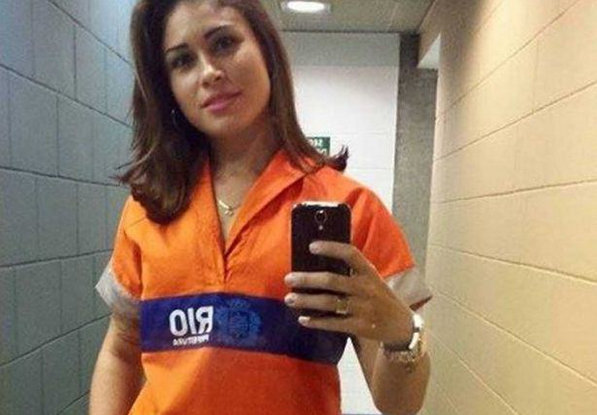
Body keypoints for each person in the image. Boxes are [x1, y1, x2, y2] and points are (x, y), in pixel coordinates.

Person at [89, 1, 433, 414]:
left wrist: (401, 333)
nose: (208, 72)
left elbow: (399, 405)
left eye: (223, 43)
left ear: (266, 49)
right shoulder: (150, 206)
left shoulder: (351, 208)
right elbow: (120, 349)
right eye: (182, 61)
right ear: (169, 88)